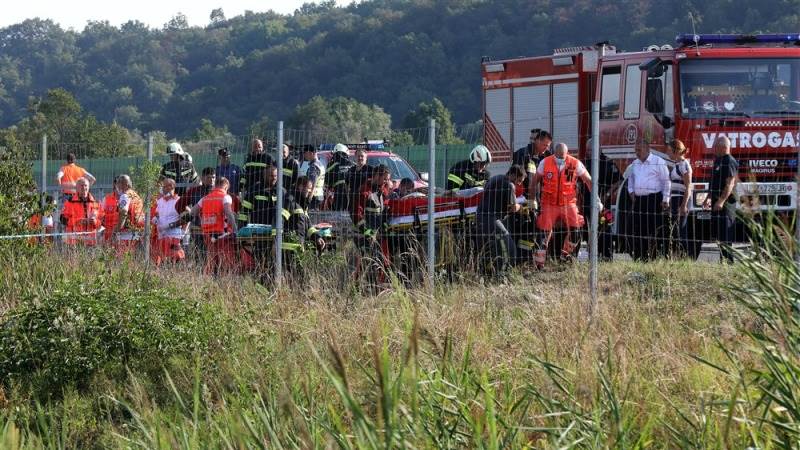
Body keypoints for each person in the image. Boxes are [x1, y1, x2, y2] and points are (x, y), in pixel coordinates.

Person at [531, 143, 595, 268]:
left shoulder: (575, 163)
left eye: (563, 156)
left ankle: (565, 256)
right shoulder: (545, 162)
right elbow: (534, 181)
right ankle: (539, 264)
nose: (560, 158)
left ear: (567, 153)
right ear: (554, 153)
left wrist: (595, 199)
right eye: (558, 156)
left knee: (576, 229)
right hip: (549, 203)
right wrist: (532, 200)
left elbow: (588, 180)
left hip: (568, 203)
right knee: (543, 233)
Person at [475, 165, 525, 275]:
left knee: (488, 250)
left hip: (479, 217)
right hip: (492, 220)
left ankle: (485, 275)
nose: (519, 184)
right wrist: (521, 207)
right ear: (513, 175)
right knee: (510, 248)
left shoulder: (494, 178)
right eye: (519, 180)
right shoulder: (510, 185)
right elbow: (512, 207)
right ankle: (504, 274)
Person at [626, 137, 670, 261]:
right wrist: (632, 193)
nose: (637, 153)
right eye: (635, 150)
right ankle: (641, 257)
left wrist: (666, 198)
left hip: (654, 200)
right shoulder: (635, 164)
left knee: (653, 231)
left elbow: (666, 181)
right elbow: (631, 180)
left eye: (639, 150)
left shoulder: (658, 161)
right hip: (639, 201)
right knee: (636, 230)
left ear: (647, 149)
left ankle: (654, 257)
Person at [581, 138, 622, 260]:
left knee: (605, 228)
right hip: (587, 203)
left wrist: (608, 195)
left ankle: (606, 256)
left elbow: (619, 180)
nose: (588, 152)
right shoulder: (584, 163)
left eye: (590, 150)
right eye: (587, 150)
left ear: (598, 149)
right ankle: (592, 256)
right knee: (589, 230)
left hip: (604, 204)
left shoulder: (608, 162)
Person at [190, 177, 238, 276]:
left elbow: (193, 212)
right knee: (225, 261)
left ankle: (211, 279)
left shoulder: (205, 198)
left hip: (207, 234)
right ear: (226, 186)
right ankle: (222, 281)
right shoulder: (225, 197)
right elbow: (228, 212)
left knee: (212, 259)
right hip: (223, 234)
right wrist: (235, 229)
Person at [353, 164, 392, 285]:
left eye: (388, 179)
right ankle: (357, 286)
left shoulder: (383, 190)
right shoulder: (365, 190)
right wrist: (368, 232)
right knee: (364, 262)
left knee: (381, 260)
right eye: (385, 178)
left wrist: (384, 228)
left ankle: (377, 287)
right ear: (376, 176)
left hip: (379, 234)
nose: (387, 181)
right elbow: (356, 214)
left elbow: (385, 211)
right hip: (366, 235)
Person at [284, 176, 327, 275]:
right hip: (288, 248)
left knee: (298, 277)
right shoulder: (290, 200)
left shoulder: (302, 204)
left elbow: (308, 226)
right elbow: (279, 221)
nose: (310, 191)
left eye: (311, 188)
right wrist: (276, 241)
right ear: (300, 187)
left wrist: (317, 237)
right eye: (309, 188)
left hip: (298, 247)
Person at [176, 167, 216, 260]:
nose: (211, 180)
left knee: (214, 255)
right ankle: (200, 273)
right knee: (200, 255)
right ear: (202, 178)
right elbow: (178, 205)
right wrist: (188, 215)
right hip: (198, 229)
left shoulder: (218, 192)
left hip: (215, 230)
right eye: (208, 177)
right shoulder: (194, 191)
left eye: (213, 177)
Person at [709, 135, 738, 263]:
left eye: (716, 146)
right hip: (715, 203)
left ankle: (729, 261)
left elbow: (730, 183)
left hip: (726, 205)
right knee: (719, 234)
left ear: (723, 146)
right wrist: (708, 198)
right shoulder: (718, 160)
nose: (714, 148)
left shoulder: (729, 161)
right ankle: (722, 260)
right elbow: (714, 181)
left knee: (726, 233)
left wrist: (721, 201)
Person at [667, 139, 693, 257]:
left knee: (681, 230)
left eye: (669, 151)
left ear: (675, 151)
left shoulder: (684, 165)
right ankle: (677, 255)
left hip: (681, 200)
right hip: (675, 199)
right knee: (675, 230)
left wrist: (683, 205)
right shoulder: (676, 164)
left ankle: (684, 256)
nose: (667, 154)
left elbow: (688, 186)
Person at [152, 178, 186, 265]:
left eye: (164, 186)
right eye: (163, 186)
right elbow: (157, 214)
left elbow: (188, 216)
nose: (162, 189)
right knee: (163, 259)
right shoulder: (160, 201)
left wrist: (183, 231)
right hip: (162, 235)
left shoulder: (178, 200)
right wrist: (156, 218)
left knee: (174, 259)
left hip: (174, 235)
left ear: (171, 187)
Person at [59, 177, 103, 246]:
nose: (84, 187)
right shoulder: (69, 202)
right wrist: (77, 221)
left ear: (89, 187)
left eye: (86, 185)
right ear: (76, 188)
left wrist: (95, 221)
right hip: (74, 243)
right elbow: (63, 220)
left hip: (91, 243)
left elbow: (103, 221)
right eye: (81, 185)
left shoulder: (96, 202)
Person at [512, 129, 553, 199]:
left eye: (548, 146)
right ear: (537, 141)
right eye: (544, 145)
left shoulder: (547, 157)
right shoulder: (522, 154)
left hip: (542, 199)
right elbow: (515, 177)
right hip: (524, 199)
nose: (546, 148)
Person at [112, 174, 145, 255]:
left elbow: (123, 213)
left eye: (119, 183)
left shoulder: (125, 196)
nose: (117, 186)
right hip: (137, 232)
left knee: (123, 261)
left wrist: (117, 229)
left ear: (125, 184)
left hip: (126, 235)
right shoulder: (136, 196)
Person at [346, 147, 373, 222]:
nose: (360, 158)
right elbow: (346, 185)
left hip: (366, 202)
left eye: (362, 156)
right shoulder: (351, 170)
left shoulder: (370, 170)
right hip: (353, 202)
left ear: (366, 158)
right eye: (358, 156)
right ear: (355, 157)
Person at [325, 143, 354, 210]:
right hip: (352, 195)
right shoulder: (352, 164)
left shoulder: (331, 165)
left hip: (338, 195)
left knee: (338, 214)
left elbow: (327, 182)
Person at [303, 144, 325, 208]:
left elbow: (311, 184)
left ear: (311, 153)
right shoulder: (320, 164)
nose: (304, 155)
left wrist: (307, 198)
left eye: (305, 153)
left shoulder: (313, 166)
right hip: (320, 195)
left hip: (313, 197)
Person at [101, 177, 120, 243]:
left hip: (123, 235)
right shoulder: (106, 199)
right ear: (114, 185)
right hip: (108, 235)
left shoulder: (128, 199)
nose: (120, 186)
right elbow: (100, 216)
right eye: (118, 184)